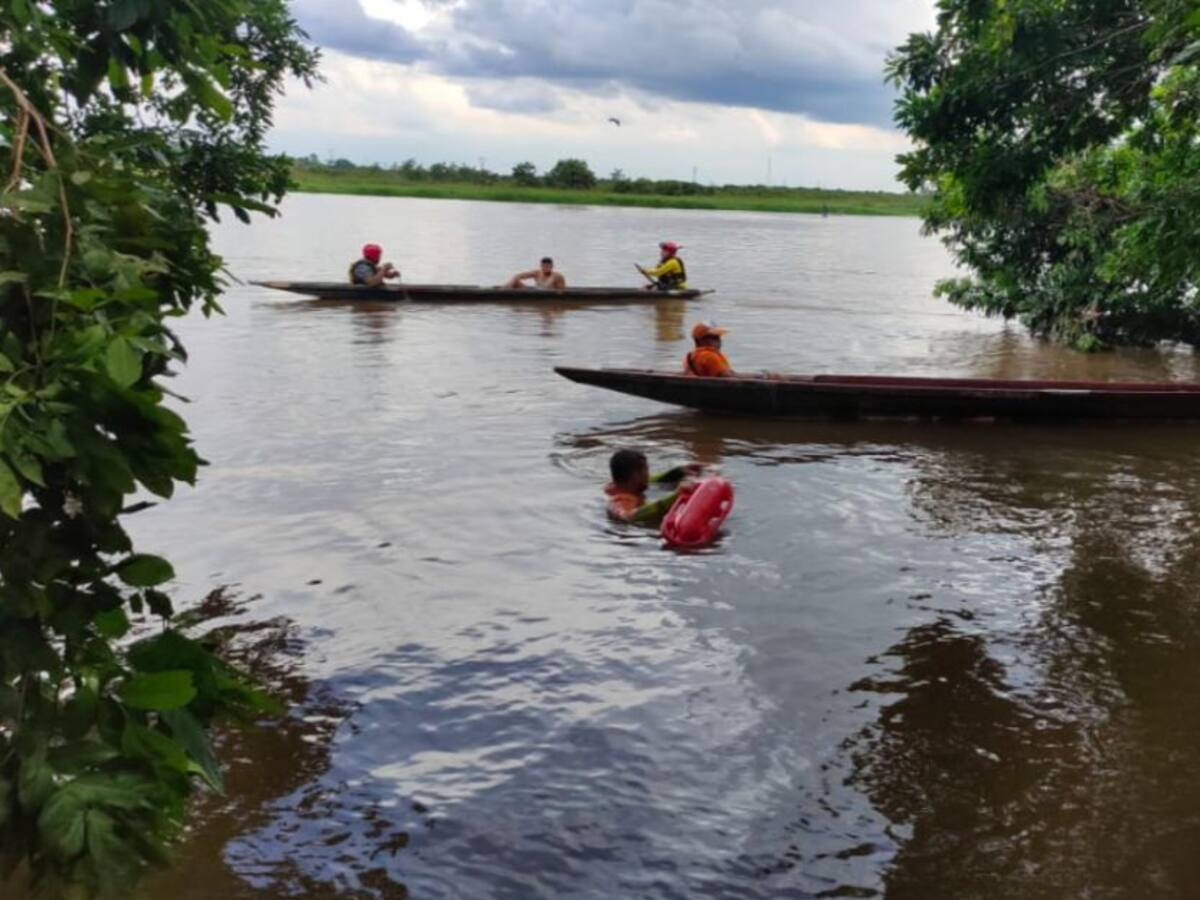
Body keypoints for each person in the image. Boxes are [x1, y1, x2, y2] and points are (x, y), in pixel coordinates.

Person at [605, 449, 703, 525]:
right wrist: (675, 496)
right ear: (636, 476)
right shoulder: (618, 501)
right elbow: (629, 517)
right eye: (646, 470)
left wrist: (678, 472)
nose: (648, 475)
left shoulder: (620, 484)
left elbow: (652, 480)